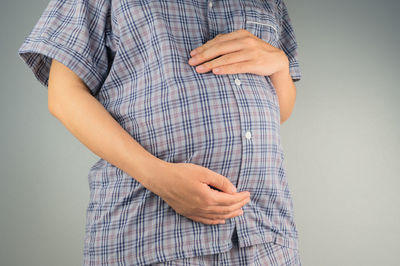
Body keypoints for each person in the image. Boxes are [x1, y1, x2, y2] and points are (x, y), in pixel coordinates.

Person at [17, 0, 302, 265]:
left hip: (265, 236)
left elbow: (280, 111)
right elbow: (63, 96)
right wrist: (159, 178)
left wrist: (279, 66)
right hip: (151, 233)